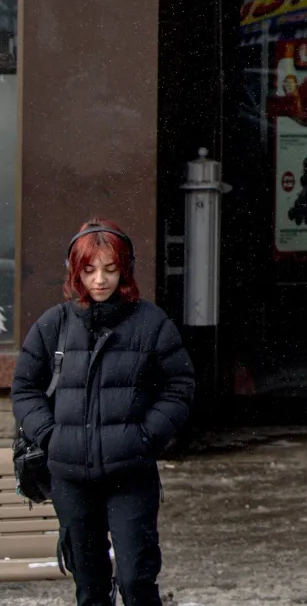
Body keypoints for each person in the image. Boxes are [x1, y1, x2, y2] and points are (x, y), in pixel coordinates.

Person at [13, 218, 196, 606]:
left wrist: (145, 436)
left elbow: (179, 387)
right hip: (70, 478)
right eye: (90, 270)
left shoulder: (151, 323)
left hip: (130, 474)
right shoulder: (53, 325)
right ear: (75, 271)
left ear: (125, 270)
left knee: (136, 579)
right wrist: (52, 436)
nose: (100, 280)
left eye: (111, 269)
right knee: (90, 585)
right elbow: (25, 389)